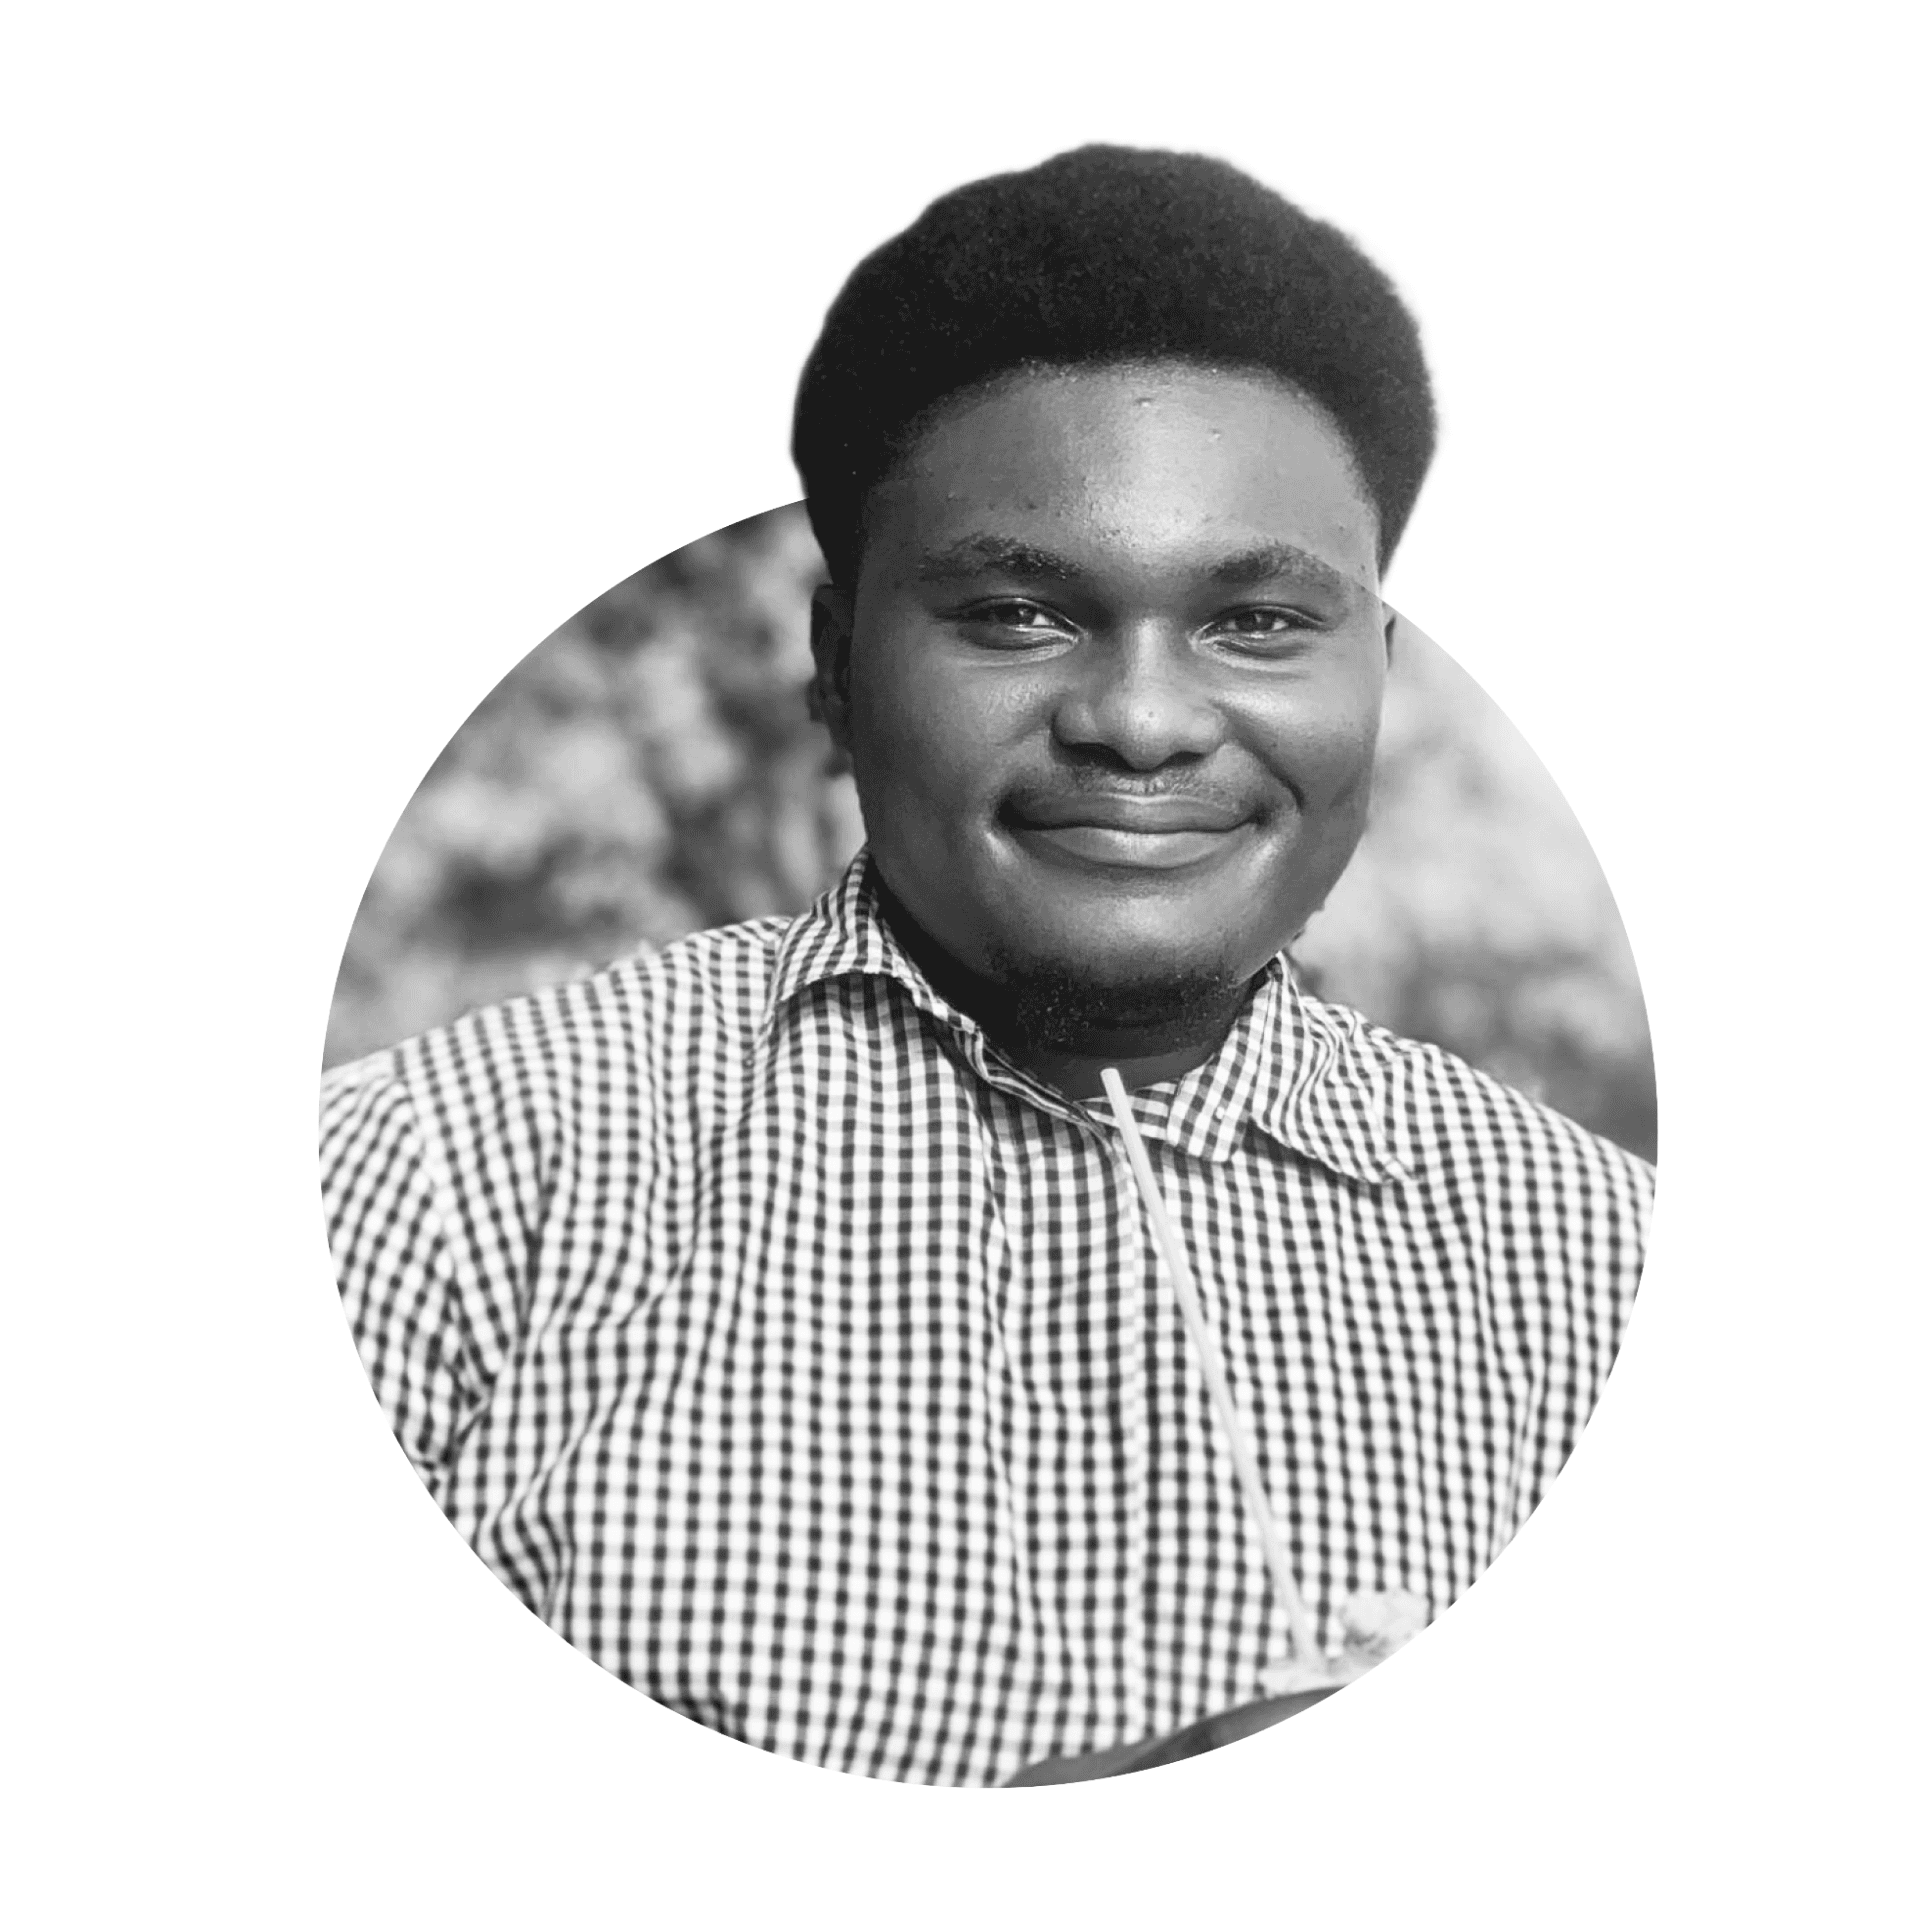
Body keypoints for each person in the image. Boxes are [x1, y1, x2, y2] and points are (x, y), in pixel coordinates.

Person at [320, 144, 1653, 1789]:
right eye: (1020, 613)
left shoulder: (1606, 1280)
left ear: (1376, 673)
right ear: (836, 665)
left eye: (1257, 622)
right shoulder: (434, 1197)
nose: (1142, 721)